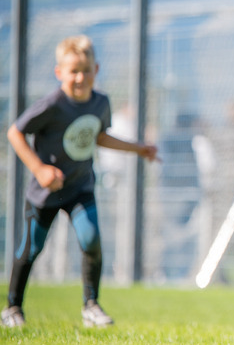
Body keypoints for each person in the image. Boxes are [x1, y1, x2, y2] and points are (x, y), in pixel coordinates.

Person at [3, 35, 159, 328]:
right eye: (73, 71)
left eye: (86, 70)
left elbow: (99, 136)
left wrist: (139, 148)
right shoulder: (52, 105)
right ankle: (12, 308)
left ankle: (91, 306)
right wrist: (39, 170)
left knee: (90, 239)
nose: (80, 77)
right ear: (59, 72)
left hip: (80, 188)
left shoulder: (100, 103)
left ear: (96, 70)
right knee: (31, 249)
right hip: (45, 194)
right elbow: (15, 133)